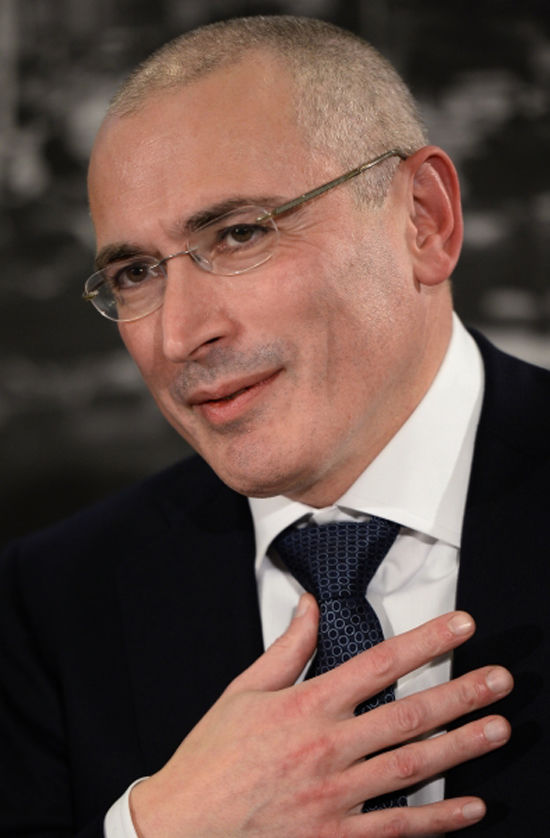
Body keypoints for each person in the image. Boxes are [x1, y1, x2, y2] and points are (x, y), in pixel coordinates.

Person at [1, 14, 548, 838]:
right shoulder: (48, 605)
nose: (180, 334)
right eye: (136, 272)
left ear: (423, 220)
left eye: (240, 234)